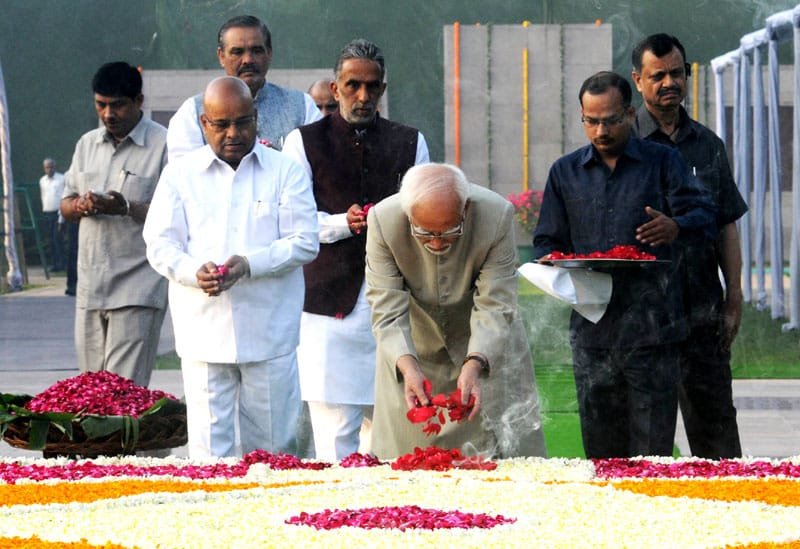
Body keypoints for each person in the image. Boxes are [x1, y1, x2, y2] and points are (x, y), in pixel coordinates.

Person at [533, 71, 716, 459]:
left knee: (651, 454)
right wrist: (555, 262)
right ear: (582, 117)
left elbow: (704, 213)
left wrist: (675, 225)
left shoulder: (663, 162)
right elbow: (547, 241)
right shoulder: (565, 172)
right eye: (591, 121)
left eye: (611, 120)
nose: (601, 130)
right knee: (600, 453)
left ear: (630, 114)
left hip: (654, 329)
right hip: (592, 331)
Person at [143, 77, 319, 459]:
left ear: (256, 118)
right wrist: (193, 271)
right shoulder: (180, 174)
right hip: (203, 331)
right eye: (221, 125)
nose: (233, 133)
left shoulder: (285, 170)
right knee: (209, 453)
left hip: (269, 331)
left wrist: (249, 264)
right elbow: (159, 244)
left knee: (274, 452)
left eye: (242, 122)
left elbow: (305, 241)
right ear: (204, 123)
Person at [283, 39, 430, 461]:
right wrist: (339, 224)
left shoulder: (411, 142)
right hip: (329, 308)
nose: (362, 97)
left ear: (383, 89)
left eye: (372, 87)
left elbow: (425, 214)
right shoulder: (302, 143)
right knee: (334, 437)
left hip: (394, 304)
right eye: (352, 85)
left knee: (391, 435)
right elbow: (292, 222)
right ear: (335, 88)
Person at [364, 162, 546, 460]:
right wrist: (408, 366)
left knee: (507, 461)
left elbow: (495, 302)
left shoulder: (496, 214)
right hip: (412, 348)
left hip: (489, 346)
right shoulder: (383, 220)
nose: (437, 243)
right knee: (407, 465)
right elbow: (385, 306)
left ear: (465, 209)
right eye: (424, 233)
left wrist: (475, 362)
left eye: (450, 232)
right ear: (407, 214)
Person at [632, 33, 747, 459]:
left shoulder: (708, 144)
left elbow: (726, 224)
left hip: (702, 312)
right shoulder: (626, 147)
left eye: (676, 73)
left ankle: (732, 520)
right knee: (648, 444)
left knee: (718, 438)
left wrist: (733, 296)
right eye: (657, 75)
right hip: (644, 315)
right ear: (638, 81)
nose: (669, 83)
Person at [60, 61, 168, 388]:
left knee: (121, 395)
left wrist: (124, 207)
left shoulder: (164, 144)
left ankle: (142, 440)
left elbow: (174, 216)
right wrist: (81, 205)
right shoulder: (86, 144)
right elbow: (65, 204)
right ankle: (151, 443)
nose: (108, 114)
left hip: (138, 287)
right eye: (101, 105)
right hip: (91, 288)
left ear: (139, 101)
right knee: (90, 395)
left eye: (118, 105)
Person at [167, 14, 321, 159]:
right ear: (221, 56)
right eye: (237, 52)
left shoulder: (302, 106)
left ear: (270, 53)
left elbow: (317, 166)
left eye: (257, 50)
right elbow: (185, 176)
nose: (248, 60)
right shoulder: (192, 112)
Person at [39, 158, 65, 271]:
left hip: (58, 213)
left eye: (51, 167)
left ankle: (61, 264)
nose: (49, 169)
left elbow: (64, 197)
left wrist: (61, 217)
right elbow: (43, 196)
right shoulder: (42, 180)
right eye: (47, 167)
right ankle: (54, 264)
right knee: (50, 240)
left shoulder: (61, 179)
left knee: (57, 239)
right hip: (47, 213)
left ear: (55, 167)